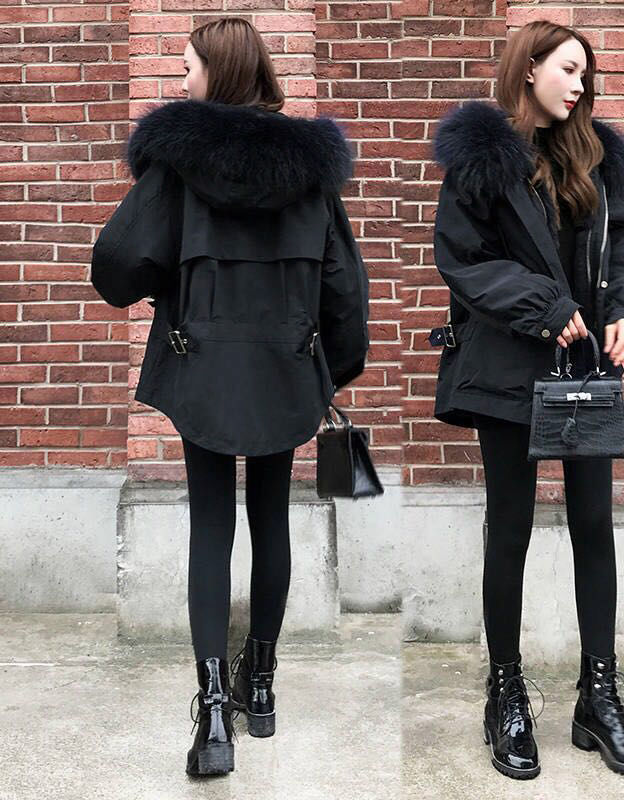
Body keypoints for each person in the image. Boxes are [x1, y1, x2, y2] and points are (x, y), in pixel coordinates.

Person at [90, 18, 370, 777]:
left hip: (204, 366)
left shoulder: (177, 167)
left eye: (187, 67)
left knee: (211, 528)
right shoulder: (310, 172)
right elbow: (345, 287)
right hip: (284, 367)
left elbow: (115, 263)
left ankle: (214, 714)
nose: (181, 81)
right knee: (271, 518)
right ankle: (263, 689)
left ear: (217, 72)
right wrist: (331, 372)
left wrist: (167, 278)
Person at [430, 20, 624, 780]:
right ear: (528, 69)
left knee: (594, 525)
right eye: (568, 69)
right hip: (507, 368)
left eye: (585, 73)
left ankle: (599, 698)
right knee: (511, 530)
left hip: (586, 369)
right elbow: (463, 261)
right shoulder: (482, 160)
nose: (580, 85)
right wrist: (543, 304)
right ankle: (506, 694)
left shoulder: (595, 159)